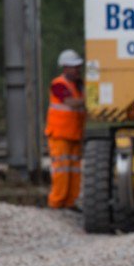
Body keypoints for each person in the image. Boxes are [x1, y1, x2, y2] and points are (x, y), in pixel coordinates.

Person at [45, 49, 87, 209]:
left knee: (74, 172)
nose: (77, 70)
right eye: (73, 67)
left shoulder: (78, 85)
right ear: (65, 67)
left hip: (75, 135)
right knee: (61, 172)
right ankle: (56, 203)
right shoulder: (58, 84)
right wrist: (89, 100)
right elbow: (70, 102)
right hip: (60, 135)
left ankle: (70, 202)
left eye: (78, 66)